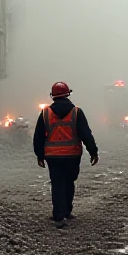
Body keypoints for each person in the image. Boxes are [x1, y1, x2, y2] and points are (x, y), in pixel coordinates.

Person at [33, 82, 99, 228]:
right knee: (69, 182)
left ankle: (58, 214)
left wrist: (39, 155)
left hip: (53, 156)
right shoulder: (76, 112)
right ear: (68, 94)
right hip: (72, 155)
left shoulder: (45, 113)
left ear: (53, 95)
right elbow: (86, 134)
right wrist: (93, 151)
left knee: (57, 183)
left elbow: (38, 137)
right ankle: (67, 211)